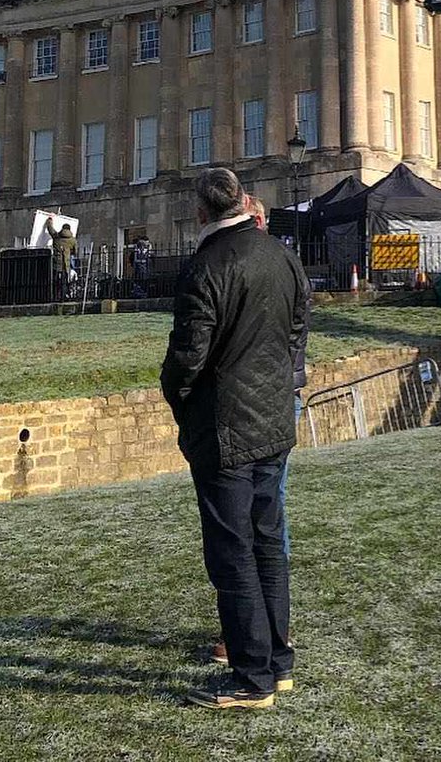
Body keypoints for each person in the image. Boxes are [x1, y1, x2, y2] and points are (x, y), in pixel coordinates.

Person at [161, 168, 309, 711]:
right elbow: (296, 332)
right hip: (272, 420)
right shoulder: (280, 254)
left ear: (201, 212)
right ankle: (277, 662)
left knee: (233, 551)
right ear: (245, 202)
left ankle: (252, 678)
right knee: (267, 540)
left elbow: (186, 357)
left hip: (225, 427)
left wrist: (179, 401)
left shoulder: (205, 266)